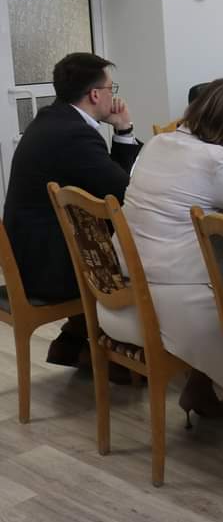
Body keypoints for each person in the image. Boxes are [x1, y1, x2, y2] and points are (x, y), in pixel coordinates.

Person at [96, 79, 223, 421]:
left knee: (221, 260)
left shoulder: (159, 142)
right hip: (173, 305)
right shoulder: (217, 163)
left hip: (120, 294)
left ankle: (203, 386)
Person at [3, 53, 141, 369]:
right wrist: (124, 128)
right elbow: (121, 192)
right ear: (95, 94)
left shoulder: (53, 119)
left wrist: (122, 131)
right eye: (110, 88)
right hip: (47, 267)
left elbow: (109, 183)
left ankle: (73, 341)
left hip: (30, 254)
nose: (113, 95)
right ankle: (119, 358)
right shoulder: (73, 134)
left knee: (108, 236)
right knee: (138, 261)